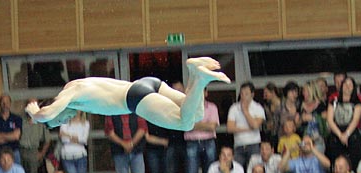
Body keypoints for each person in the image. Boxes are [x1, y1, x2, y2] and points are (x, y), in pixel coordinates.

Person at [26, 57, 230, 130]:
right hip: (146, 84)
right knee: (196, 114)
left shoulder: (69, 94)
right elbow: (50, 113)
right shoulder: (74, 87)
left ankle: (200, 78)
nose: (64, 121)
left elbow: (48, 113)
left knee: (185, 123)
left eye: (59, 121)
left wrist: (36, 113)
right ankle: (196, 74)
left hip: (135, 98)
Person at [184, 88, 220, 173]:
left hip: (209, 141)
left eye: (201, 92)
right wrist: (205, 125)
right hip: (192, 142)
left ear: (206, 93)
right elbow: (186, 126)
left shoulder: (212, 107)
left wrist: (194, 125)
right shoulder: (187, 108)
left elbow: (212, 127)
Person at [325, 76, 361, 166]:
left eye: (350, 84)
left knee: (354, 163)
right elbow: (330, 120)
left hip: (351, 135)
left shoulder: (357, 103)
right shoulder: (333, 101)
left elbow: (355, 120)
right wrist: (340, 135)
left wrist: (346, 134)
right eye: (345, 84)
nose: (347, 86)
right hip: (336, 134)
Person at [226, 82, 265, 169]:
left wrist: (245, 111)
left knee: (254, 170)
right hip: (238, 145)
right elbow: (229, 128)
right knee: (236, 170)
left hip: (253, 144)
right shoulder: (234, 108)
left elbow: (255, 125)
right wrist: (247, 129)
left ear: (252, 94)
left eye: (246, 94)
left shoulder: (258, 108)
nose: (243, 96)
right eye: (242, 93)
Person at [20, 102, 52, 173]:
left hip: (33, 152)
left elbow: (48, 140)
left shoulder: (41, 122)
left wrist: (41, 153)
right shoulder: (21, 121)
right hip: (21, 151)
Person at [0, 93, 23, 165]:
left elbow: (16, 136)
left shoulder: (17, 119)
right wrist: (10, 136)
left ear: (10, 104)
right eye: (3, 102)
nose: (5, 105)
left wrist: (0, 135)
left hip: (14, 154)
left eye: (7, 102)